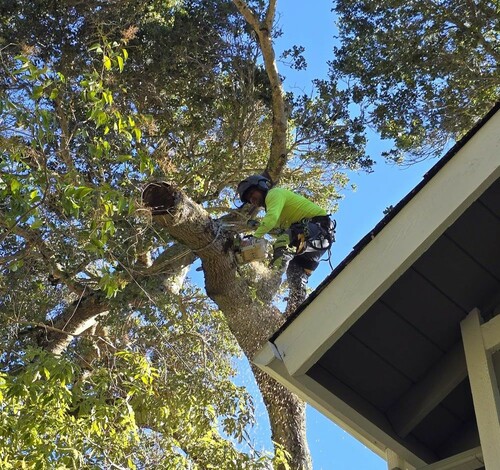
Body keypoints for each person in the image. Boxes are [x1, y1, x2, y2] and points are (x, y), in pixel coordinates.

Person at [237, 174, 335, 312]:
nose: (252, 200)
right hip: (314, 245)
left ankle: (269, 285)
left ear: (262, 186)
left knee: (282, 243)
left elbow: (271, 219)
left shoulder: (274, 194)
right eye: (249, 199)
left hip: (317, 228)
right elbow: (275, 228)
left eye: (252, 194)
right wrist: (257, 226)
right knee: (294, 272)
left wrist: (255, 237)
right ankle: (295, 309)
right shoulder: (273, 208)